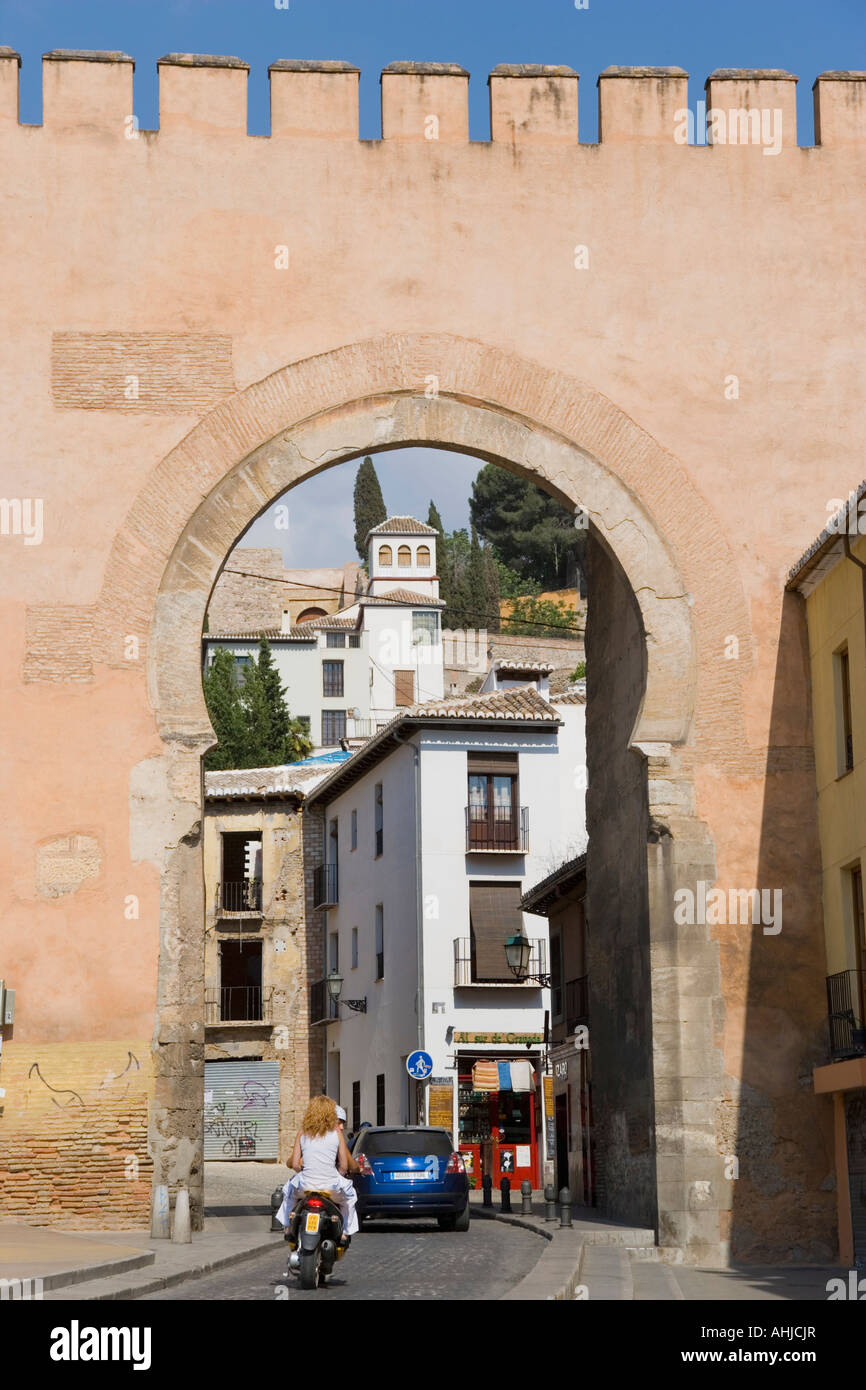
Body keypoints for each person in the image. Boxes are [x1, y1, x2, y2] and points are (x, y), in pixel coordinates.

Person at [277, 1095, 360, 1241]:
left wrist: (304, 1172)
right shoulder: (337, 1134)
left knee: (288, 1192)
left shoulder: (302, 1132)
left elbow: (295, 1164)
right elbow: (344, 1165)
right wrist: (338, 1174)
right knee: (350, 1198)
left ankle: (288, 1227)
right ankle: (345, 1232)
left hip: (305, 1186)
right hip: (330, 1187)